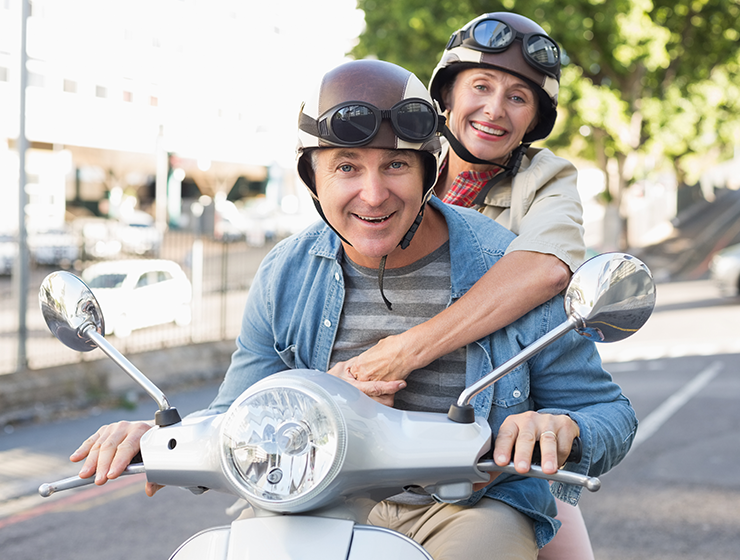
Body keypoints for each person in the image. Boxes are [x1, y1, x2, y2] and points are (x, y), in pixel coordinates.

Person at [69, 59, 636, 560]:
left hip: (466, 507)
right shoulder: (284, 274)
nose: (372, 193)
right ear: (312, 177)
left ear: (428, 173)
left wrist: (561, 427)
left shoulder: (502, 267)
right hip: (313, 498)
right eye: (345, 166)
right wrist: (153, 435)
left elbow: (608, 413)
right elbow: (235, 411)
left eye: (395, 165)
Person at [329, 12, 594, 559]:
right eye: (481, 86)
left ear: (534, 120)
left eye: (518, 97)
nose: (495, 109)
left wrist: (407, 349)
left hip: (493, 442)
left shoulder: (544, 180)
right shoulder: (400, 164)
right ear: (446, 96)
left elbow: (547, 266)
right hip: (360, 439)